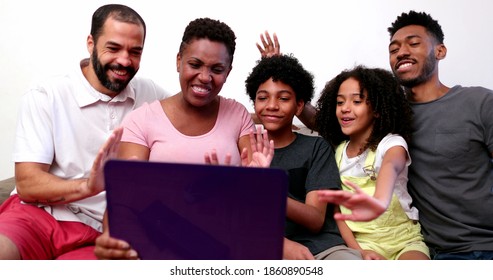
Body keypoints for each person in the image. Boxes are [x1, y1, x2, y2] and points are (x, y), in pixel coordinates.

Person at [93, 17, 274, 260]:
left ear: (228, 72)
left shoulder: (237, 115)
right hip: (160, 245)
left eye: (217, 69)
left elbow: (253, 207)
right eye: (195, 64)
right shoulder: (142, 120)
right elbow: (124, 198)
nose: (204, 77)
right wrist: (113, 238)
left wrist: (255, 182)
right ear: (179, 61)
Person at [0, 4, 169, 260]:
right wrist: (89, 186)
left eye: (135, 52)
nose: (124, 60)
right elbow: (26, 183)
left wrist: (255, 100)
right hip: (36, 215)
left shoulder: (151, 96)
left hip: (97, 234)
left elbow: (206, 109)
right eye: (113, 48)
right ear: (91, 43)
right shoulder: (48, 94)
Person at [386, 10, 493, 260]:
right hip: (423, 250)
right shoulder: (390, 116)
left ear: (440, 51)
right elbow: (335, 122)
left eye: (413, 43)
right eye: (393, 49)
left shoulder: (479, 102)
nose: (401, 52)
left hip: (483, 247)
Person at [245, 54, 361, 260]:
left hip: (324, 248)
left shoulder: (316, 147)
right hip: (267, 246)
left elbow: (315, 219)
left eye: (283, 98)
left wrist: (267, 188)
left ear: (299, 106)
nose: (272, 105)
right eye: (263, 98)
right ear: (254, 103)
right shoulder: (245, 148)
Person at [315, 65, 429, 260]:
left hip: (405, 241)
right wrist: (360, 251)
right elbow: (337, 214)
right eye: (339, 102)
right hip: (361, 244)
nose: (345, 108)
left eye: (357, 101)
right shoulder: (337, 154)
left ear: (377, 109)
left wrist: (379, 200)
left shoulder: (391, 144)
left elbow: (391, 165)